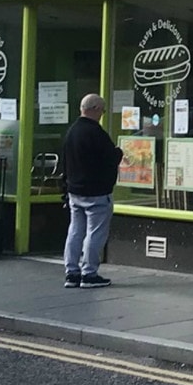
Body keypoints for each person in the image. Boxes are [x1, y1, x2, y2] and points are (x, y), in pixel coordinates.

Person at [61, 93, 124, 288]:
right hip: (96, 192)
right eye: (103, 111)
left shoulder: (72, 131)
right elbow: (109, 158)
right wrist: (118, 152)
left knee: (75, 231)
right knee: (95, 233)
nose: (103, 114)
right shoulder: (96, 133)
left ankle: (72, 272)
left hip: (75, 191)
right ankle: (89, 273)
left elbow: (65, 161)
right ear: (95, 109)